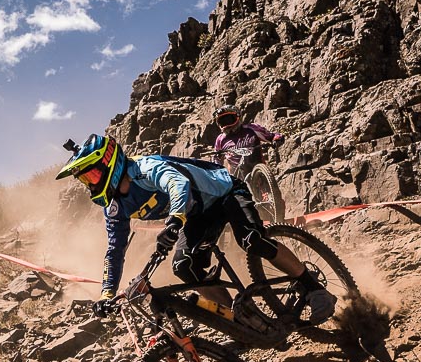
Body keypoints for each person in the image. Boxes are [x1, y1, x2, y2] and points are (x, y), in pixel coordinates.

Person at [54, 133, 334, 322]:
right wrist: (106, 293)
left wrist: (174, 219)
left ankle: (312, 286)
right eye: (84, 180)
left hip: (224, 194)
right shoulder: (114, 206)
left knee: (251, 239)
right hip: (196, 214)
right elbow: (115, 249)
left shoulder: (145, 168)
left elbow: (178, 184)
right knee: (184, 267)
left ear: (108, 162)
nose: (90, 183)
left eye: (90, 174)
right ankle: (240, 320)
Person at [211, 104, 282, 180]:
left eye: (229, 120)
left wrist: (276, 139)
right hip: (236, 176)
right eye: (223, 122)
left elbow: (271, 135)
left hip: (257, 167)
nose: (227, 124)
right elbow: (216, 157)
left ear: (238, 117)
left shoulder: (251, 129)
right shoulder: (220, 139)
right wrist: (218, 171)